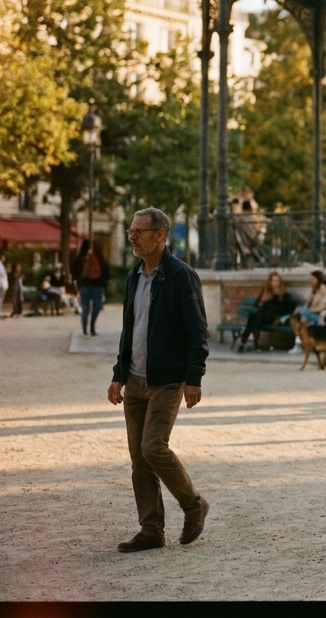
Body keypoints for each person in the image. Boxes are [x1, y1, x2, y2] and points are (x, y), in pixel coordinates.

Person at [108, 207, 209, 553]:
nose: (132, 237)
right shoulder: (134, 275)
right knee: (139, 457)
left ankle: (194, 505)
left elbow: (197, 331)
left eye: (139, 231)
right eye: (131, 231)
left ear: (160, 235)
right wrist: (118, 375)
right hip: (134, 378)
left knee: (153, 447)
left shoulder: (182, 276)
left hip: (168, 379)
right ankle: (151, 528)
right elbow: (128, 328)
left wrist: (194, 378)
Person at [237, 271, 298, 353]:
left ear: (280, 282)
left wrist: (281, 318)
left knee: (254, 316)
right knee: (254, 316)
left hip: (272, 318)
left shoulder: (283, 295)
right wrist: (262, 302)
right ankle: (253, 344)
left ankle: (244, 342)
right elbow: (256, 305)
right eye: (273, 281)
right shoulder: (265, 292)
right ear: (270, 282)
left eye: (277, 281)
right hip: (261, 316)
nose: (275, 283)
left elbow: (291, 307)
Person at [289, 270, 326, 354]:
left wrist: (307, 312)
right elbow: (306, 303)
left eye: (313, 279)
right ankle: (299, 344)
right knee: (300, 320)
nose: (311, 281)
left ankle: (299, 345)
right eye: (310, 279)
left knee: (300, 314)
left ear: (319, 280)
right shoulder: (312, 291)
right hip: (309, 316)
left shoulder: (325, 291)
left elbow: (323, 306)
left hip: (319, 316)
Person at [74, 239, 109, 337]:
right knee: (93, 307)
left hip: (88, 285)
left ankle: (87, 328)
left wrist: (79, 283)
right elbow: (105, 270)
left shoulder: (82, 257)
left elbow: (75, 270)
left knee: (88, 308)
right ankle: (89, 328)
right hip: (95, 285)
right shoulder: (99, 257)